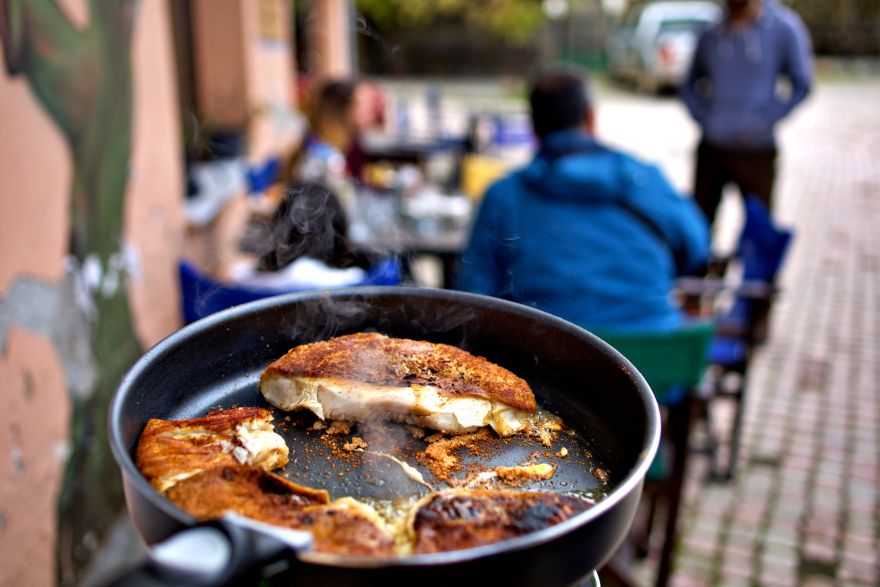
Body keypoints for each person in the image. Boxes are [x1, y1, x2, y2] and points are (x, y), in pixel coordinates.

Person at [456, 67, 709, 333]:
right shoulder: (646, 180)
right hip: (656, 352)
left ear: (533, 127)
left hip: (547, 354)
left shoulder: (503, 195)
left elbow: (474, 295)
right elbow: (697, 249)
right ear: (590, 117)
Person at [680, 0, 812, 227]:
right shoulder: (712, 31)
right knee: (698, 225)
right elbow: (688, 85)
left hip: (756, 149)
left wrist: (763, 121)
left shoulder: (783, 28)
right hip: (713, 147)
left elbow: (802, 84)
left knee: (758, 230)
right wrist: (705, 119)